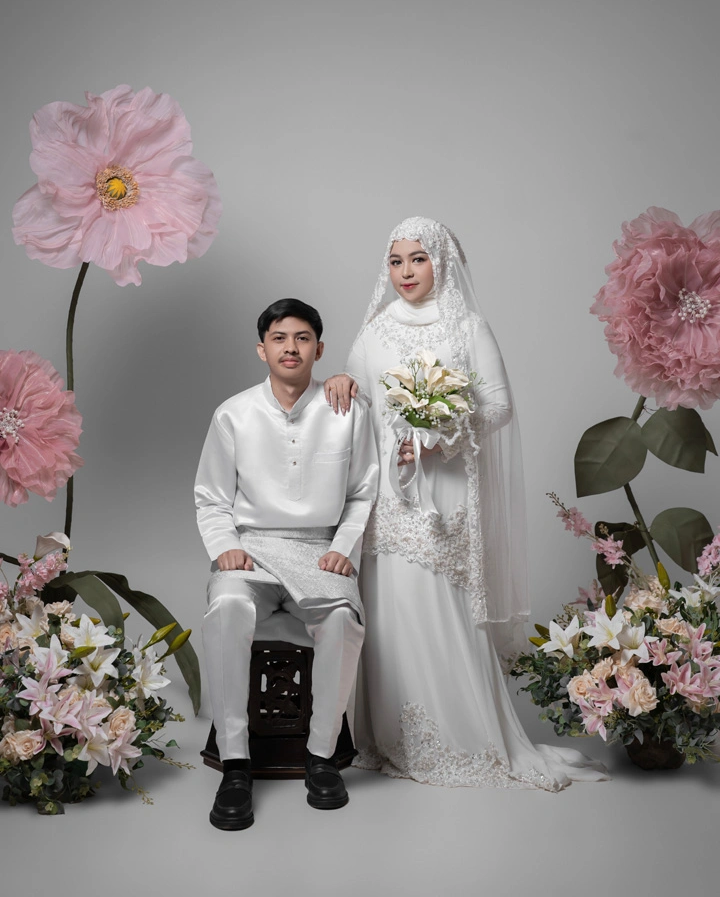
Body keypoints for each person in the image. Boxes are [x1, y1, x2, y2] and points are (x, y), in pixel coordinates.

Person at [324, 218, 607, 790]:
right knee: (392, 609)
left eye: (418, 259)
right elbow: (358, 396)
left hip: (447, 493)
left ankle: (465, 735)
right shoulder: (376, 330)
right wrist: (341, 381)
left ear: (442, 262)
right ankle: (390, 737)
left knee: (439, 605)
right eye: (396, 261)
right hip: (390, 496)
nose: (405, 272)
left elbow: (498, 406)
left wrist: (438, 432)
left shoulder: (467, 326)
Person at [195, 298, 379, 830]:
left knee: (342, 618)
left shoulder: (347, 410)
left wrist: (343, 547)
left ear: (319, 349)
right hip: (250, 547)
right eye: (279, 338)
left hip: (320, 550)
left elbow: (363, 493)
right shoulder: (233, 413)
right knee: (227, 607)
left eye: (302, 338)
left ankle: (321, 757)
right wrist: (224, 546)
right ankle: (236, 763)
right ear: (262, 349)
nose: (291, 348)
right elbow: (211, 498)